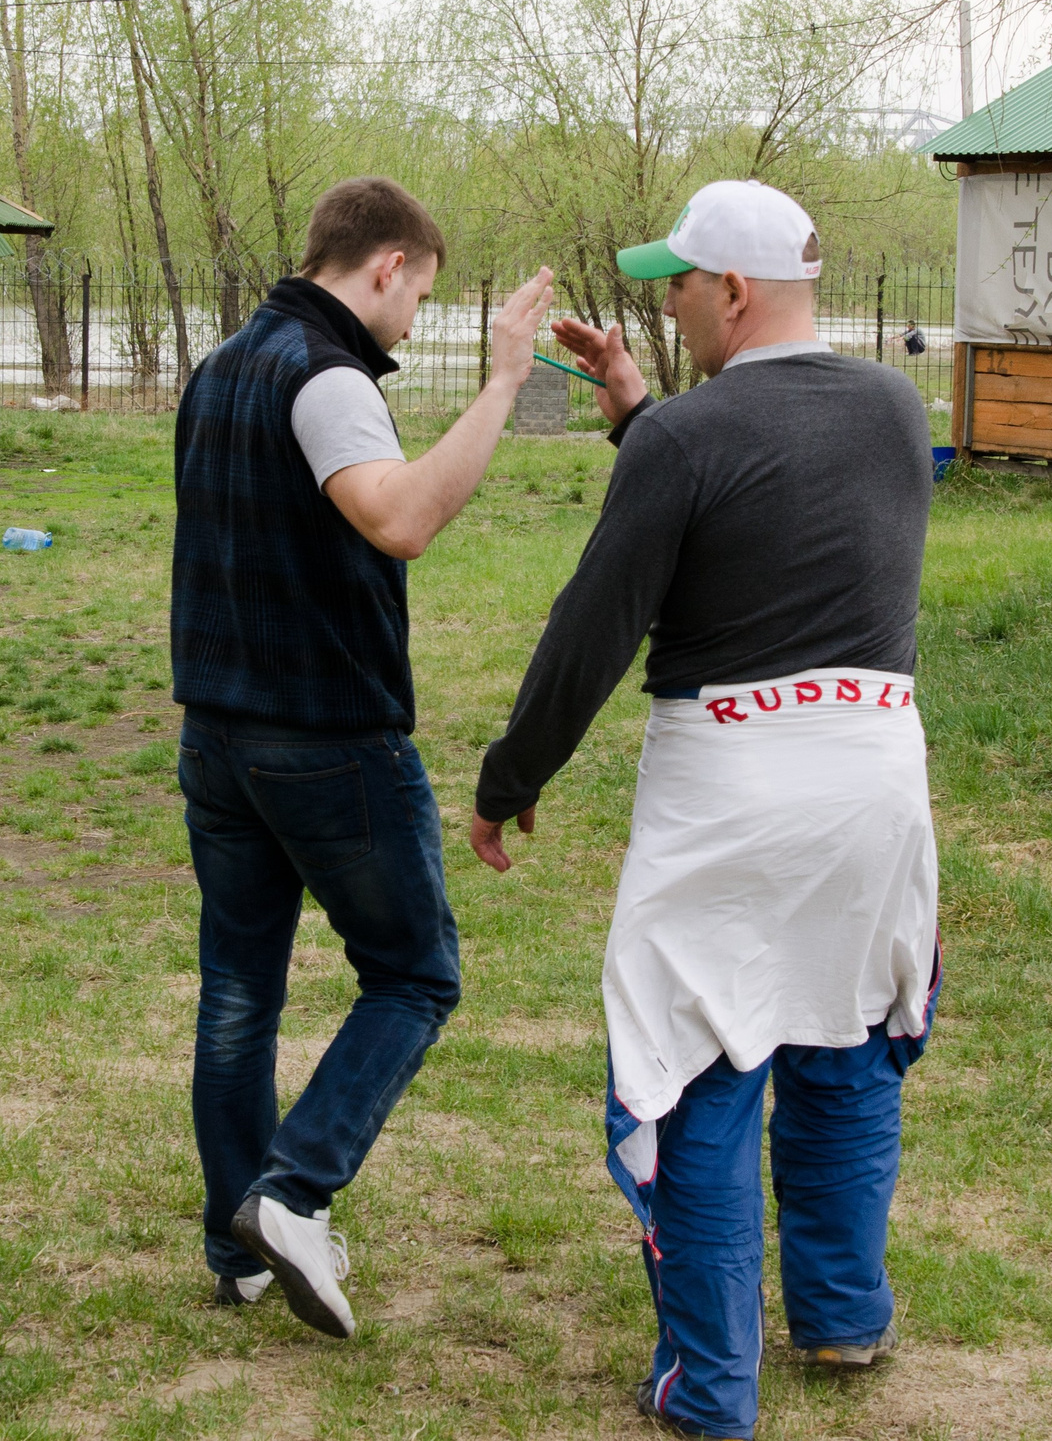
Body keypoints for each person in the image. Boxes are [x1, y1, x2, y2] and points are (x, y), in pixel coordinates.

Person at [469, 181, 940, 1440]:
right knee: (841, 1042)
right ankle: (843, 1316)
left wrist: (508, 780)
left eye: (677, 284)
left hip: (735, 794)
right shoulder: (897, 411)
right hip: (878, 789)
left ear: (731, 289)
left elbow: (593, 629)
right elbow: (771, 488)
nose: (665, 306)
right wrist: (638, 407)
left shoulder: (691, 440)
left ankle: (708, 1387)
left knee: (698, 1073)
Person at [171, 175, 553, 1338]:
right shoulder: (327, 375)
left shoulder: (223, 361)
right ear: (384, 265)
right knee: (416, 972)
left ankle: (232, 1243)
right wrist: (500, 384)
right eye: (419, 295)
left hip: (218, 735)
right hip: (325, 739)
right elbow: (400, 518)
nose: (412, 319)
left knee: (240, 987)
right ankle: (291, 1193)